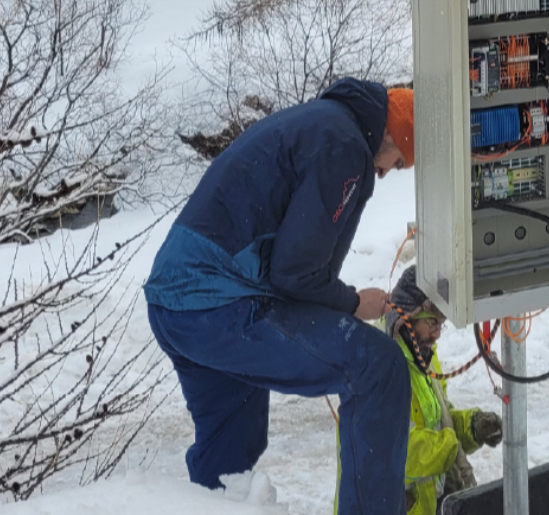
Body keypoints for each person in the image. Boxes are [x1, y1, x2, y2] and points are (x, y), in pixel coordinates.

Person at [144, 78, 416, 515]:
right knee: (378, 368)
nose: (386, 172)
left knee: (230, 451)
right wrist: (351, 303)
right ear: (391, 134)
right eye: (398, 162)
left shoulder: (321, 123)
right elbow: (295, 273)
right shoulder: (343, 145)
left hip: (175, 302)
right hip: (220, 302)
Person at [336, 267, 504, 515]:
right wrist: (450, 448)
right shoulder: (374, 363)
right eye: (432, 322)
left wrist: (472, 427)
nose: (437, 333)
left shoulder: (422, 357)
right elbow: (392, 449)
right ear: (405, 316)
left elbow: (439, 419)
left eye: (441, 324)